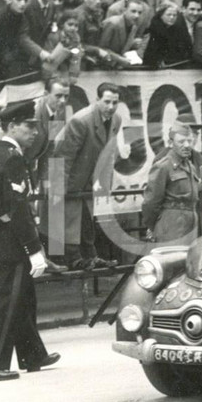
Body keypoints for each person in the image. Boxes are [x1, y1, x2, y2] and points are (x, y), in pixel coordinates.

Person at [0, 100, 59, 381]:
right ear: (12, 126)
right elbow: (18, 208)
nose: (34, 131)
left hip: (1, 238)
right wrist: (34, 249)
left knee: (21, 297)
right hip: (11, 242)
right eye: (29, 126)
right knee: (7, 303)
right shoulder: (12, 157)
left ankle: (32, 352)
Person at [54, 83, 123, 270]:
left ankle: (91, 258)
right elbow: (64, 157)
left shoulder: (116, 120)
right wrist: (59, 190)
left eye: (115, 102)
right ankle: (75, 260)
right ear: (97, 100)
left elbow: (109, 154)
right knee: (70, 223)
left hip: (89, 181)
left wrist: (104, 185)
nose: (110, 107)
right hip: (71, 179)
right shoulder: (81, 121)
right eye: (106, 102)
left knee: (87, 221)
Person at [142, 121, 202, 246]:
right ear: (171, 143)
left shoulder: (190, 166)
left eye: (189, 141)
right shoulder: (163, 166)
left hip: (191, 224)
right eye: (181, 142)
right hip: (171, 225)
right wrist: (153, 226)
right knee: (171, 262)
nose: (187, 145)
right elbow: (151, 202)